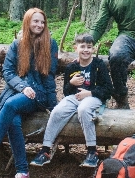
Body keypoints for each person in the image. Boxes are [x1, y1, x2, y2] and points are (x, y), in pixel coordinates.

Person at [0, 8, 58, 178]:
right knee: (13, 121)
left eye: (42, 22)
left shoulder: (51, 44)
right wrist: (22, 87)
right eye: (35, 21)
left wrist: (53, 105)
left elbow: (49, 75)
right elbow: (8, 73)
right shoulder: (17, 44)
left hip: (37, 94)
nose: (39, 25)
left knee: (10, 106)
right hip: (15, 92)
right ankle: (22, 172)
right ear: (27, 22)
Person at [31, 33, 113, 169]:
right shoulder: (71, 67)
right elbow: (66, 92)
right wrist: (71, 83)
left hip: (94, 98)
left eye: (89, 47)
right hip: (74, 98)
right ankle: (45, 150)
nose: (86, 50)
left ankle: (92, 151)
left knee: (84, 109)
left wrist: (90, 93)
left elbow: (108, 89)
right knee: (57, 111)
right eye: (82, 47)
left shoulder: (99, 65)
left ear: (93, 49)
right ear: (76, 48)